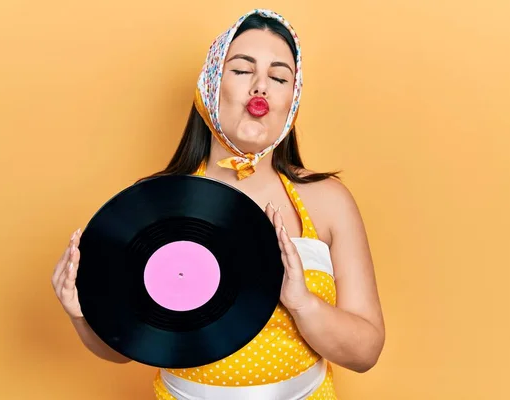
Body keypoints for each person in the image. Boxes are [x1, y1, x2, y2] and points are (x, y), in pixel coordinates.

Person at [51, 9, 385, 399]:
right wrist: (81, 314)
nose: (260, 87)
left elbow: (366, 352)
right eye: (242, 71)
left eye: (278, 78)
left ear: (290, 104)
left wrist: (301, 303)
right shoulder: (156, 203)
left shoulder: (328, 200)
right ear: (210, 85)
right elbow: (125, 345)